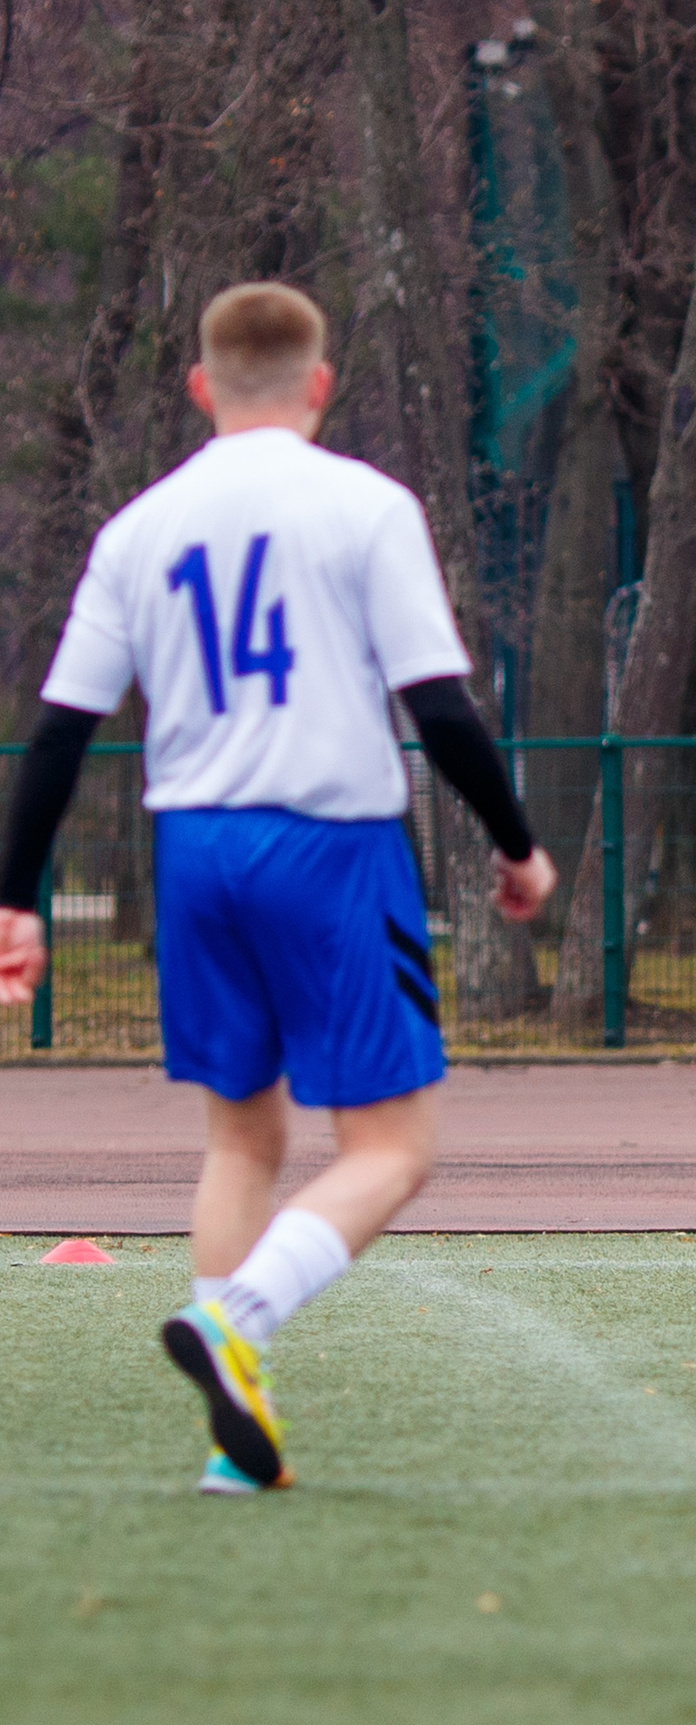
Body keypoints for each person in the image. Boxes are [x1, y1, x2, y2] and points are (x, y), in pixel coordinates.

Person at [0, 282, 558, 1492]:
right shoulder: (365, 506)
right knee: (393, 1147)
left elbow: (57, 733)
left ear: (200, 388)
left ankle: (232, 1449)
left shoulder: (138, 527)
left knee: (241, 1137)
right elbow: (440, 707)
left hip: (193, 852)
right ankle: (237, 1321)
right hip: (331, 848)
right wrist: (516, 846)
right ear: (319, 384)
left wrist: (14, 896)